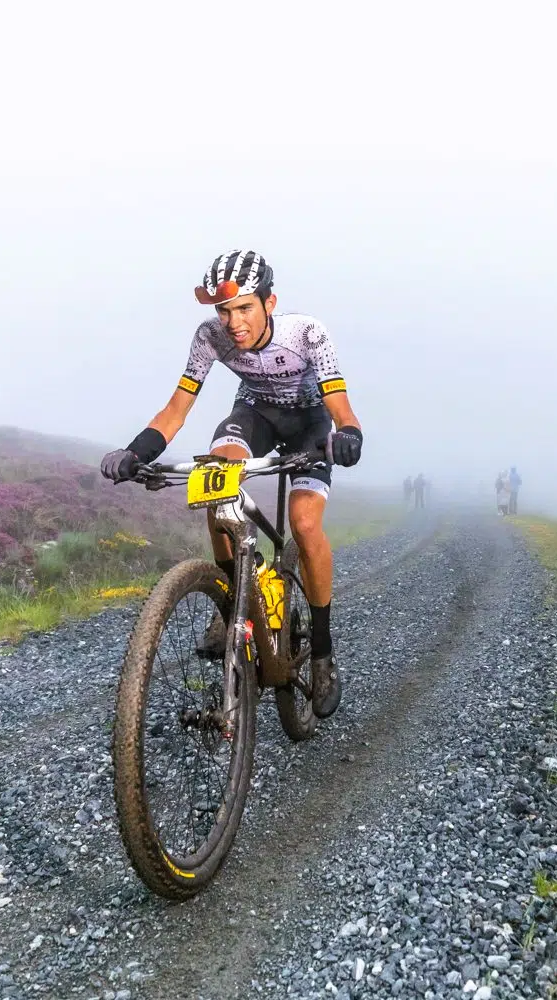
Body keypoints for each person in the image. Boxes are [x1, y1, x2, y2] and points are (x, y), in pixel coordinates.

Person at [100, 250, 362, 718]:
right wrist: (135, 452)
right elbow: (177, 408)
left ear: (269, 302)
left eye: (244, 308)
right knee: (215, 483)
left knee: (303, 522)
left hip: (309, 423)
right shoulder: (210, 337)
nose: (233, 322)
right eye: (224, 310)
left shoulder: (307, 333)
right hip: (255, 415)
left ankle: (321, 653)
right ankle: (234, 601)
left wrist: (348, 435)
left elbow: (338, 404)